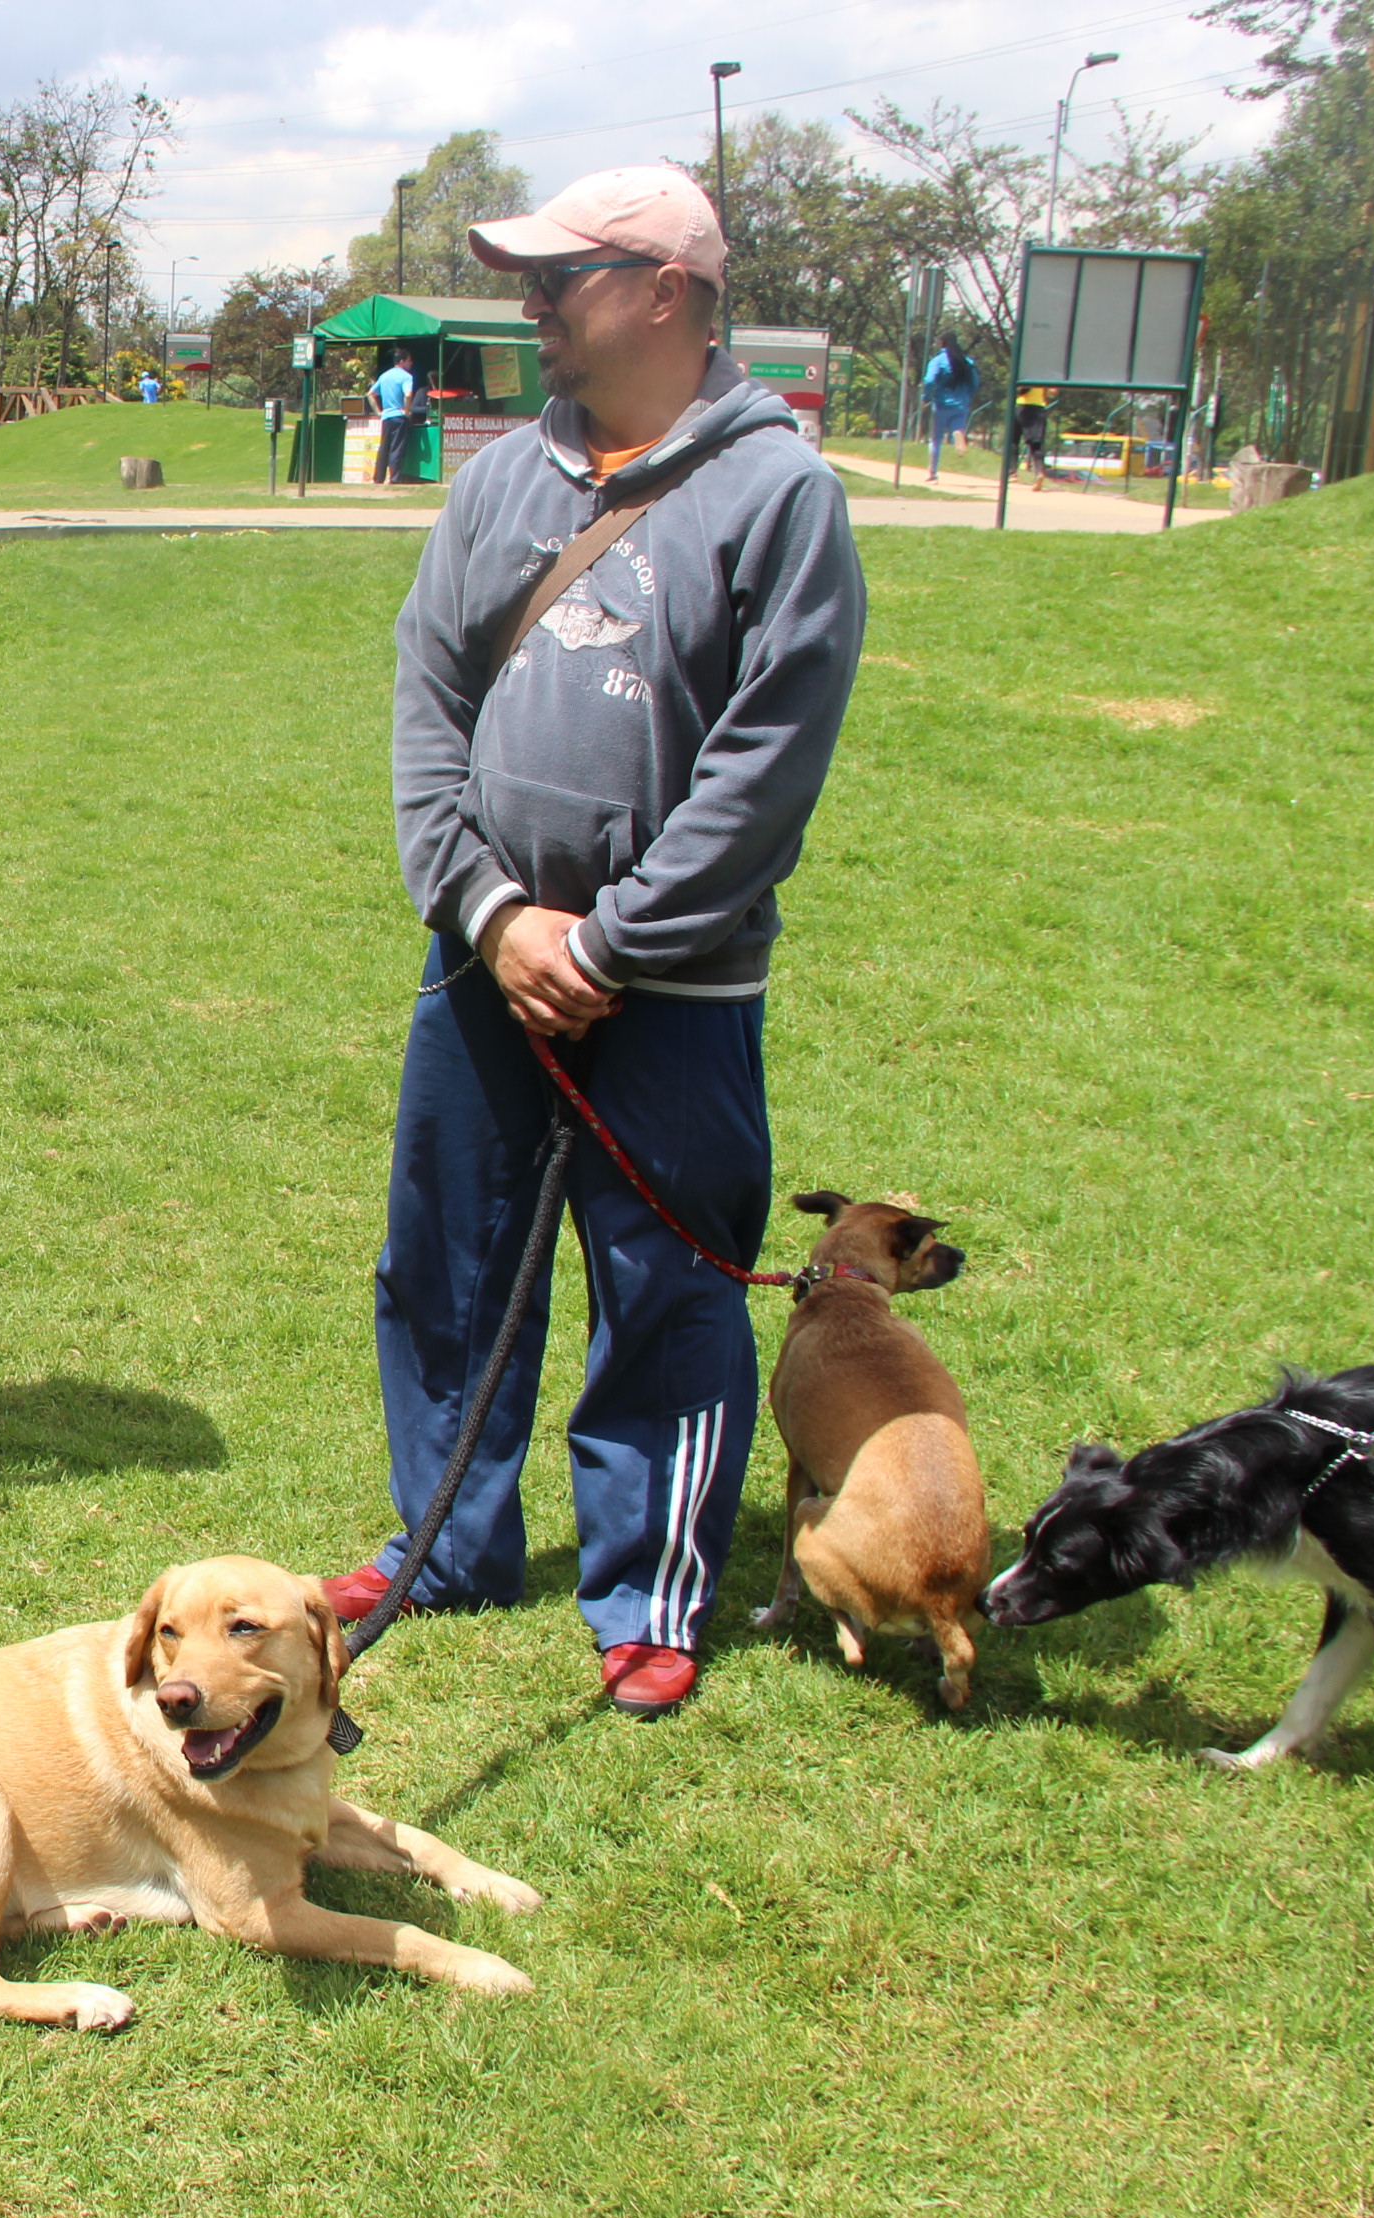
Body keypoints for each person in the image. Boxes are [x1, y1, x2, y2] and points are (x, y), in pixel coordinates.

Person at [339, 163, 864, 1719]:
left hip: (677, 986)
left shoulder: (783, 494)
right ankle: (446, 1545)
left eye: (562, 277)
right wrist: (495, 915)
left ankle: (649, 1590)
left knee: (667, 1292)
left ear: (666, 291)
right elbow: (429, 697)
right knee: (444, 1264)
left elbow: (766, 771)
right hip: (482, 966)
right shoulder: (502, 478)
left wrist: (614, 945)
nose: (534, 305)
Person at [921, 333, 976, 479]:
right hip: (961, 405)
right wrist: (968, 396)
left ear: (942, 343)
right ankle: (957, 433)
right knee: (957, 427)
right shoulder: (967, 361)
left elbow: (929, 380)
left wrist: (926, 397)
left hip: (942, 404)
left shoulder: (938, 361)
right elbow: (975, 382)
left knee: (935, 440)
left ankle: (933, 473)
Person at [372, 348, 420, 483]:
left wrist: (378, 411)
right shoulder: (406, 377)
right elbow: (408, 394)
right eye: (409, 360)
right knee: (397, 448)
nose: (411, 363)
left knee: (384, 447)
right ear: (402, 361)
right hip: (399, 416)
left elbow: (371, 393)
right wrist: (407, 410)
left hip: (386, 416)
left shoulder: (384, 376)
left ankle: (378, 477)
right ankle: (394, 478)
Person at [1011, 383, 1056, 491]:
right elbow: (1053, 391)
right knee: (1036, 443)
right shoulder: (1044, 375)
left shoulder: (1026, 372)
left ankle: (1012, 472)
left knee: (1013, 441)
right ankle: (1039, 472)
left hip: (1022, 407)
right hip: (1038, 408)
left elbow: (1018, 389)